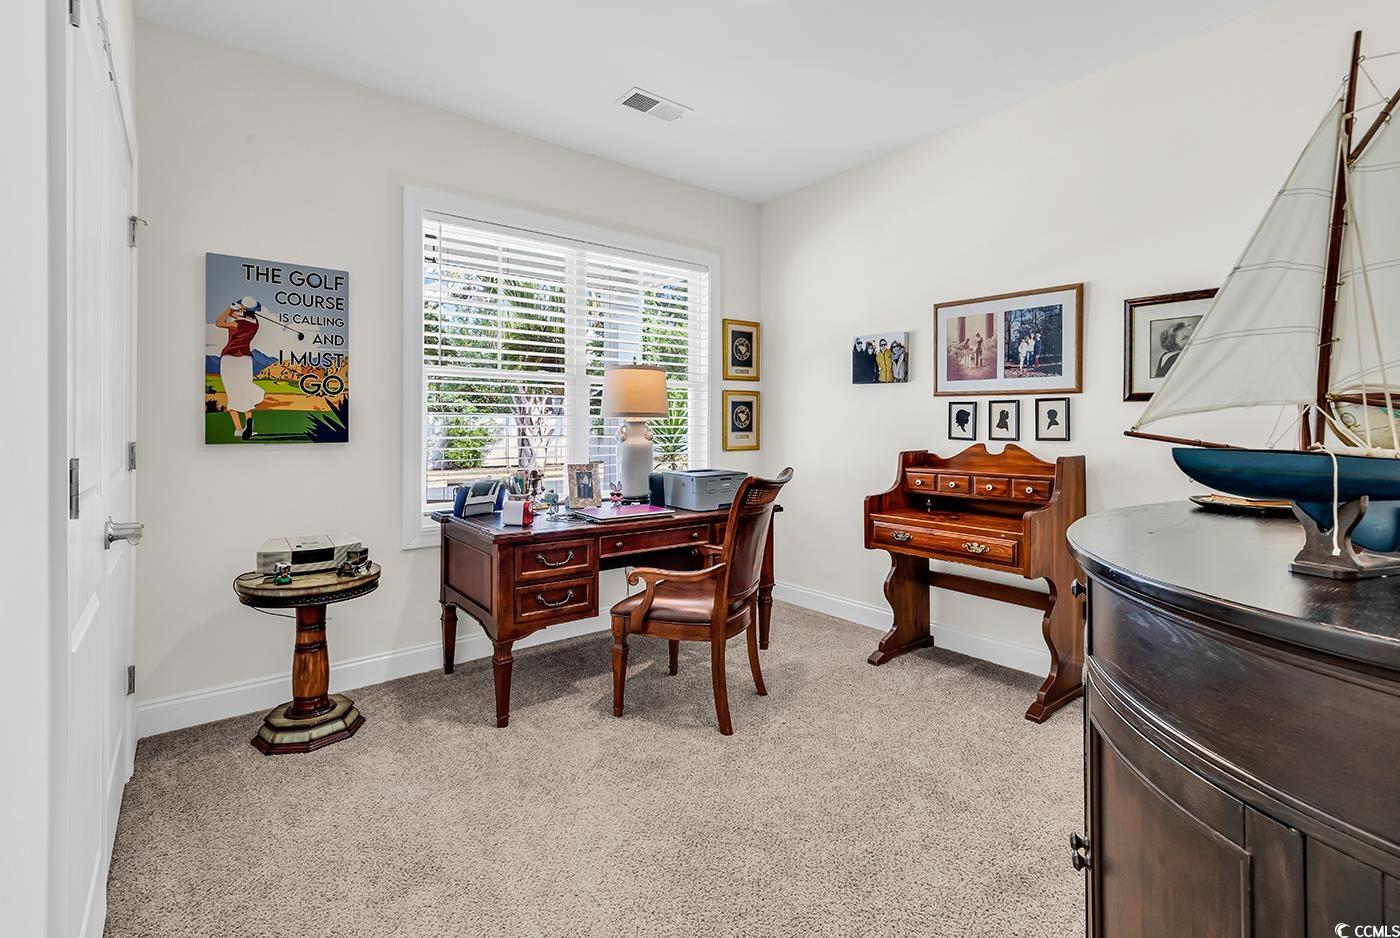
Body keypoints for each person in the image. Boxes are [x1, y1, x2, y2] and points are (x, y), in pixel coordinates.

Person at [216, 296, 266, 440]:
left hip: (229, 359)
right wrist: (236, 310)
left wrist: (229, 308)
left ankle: (238, 429)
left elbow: (219, 322)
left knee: (232, 392)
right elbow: (236, 316)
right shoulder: (255, 323)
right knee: (245, 389)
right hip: (245, 359)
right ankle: (248, 421)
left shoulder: (237, 324)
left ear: (243, 308)